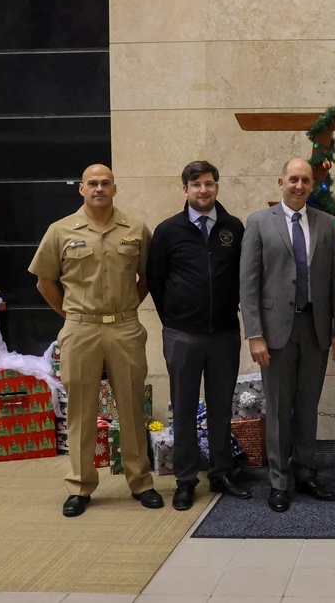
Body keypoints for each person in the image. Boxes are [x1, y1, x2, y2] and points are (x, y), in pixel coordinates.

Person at [29, 164, 162, 517]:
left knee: (132, 406)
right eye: (93, 183)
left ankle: (141, 482)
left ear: (115, 188)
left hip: (124, 327)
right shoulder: (59, 231)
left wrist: (126, 306)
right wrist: (73, 316)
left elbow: (148, 276)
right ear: (82, 190)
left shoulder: (135, 230)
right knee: (81, 409)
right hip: (80, 329)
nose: (99, 188)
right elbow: (45, 282)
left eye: (105, 183)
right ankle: (81, 486)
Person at [240, 157, 335, 512]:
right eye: (293, 179)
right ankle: (279, 481)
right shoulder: (258, 223)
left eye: (305, 180)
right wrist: (254, 334)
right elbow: (249, 283)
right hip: (274, 333)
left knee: (307, 406)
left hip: (315, 329)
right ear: (280, 182)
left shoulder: (327, 224)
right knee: (277, 406)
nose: (299, 185)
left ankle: (305, 472)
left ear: (312, 185)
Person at [147, 161, 250, 510]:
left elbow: (242, 279)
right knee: (185, 408)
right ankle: (186, 480)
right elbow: (155, 282)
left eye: (209, 183)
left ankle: (221, 472)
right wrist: (174, 320)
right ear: (185, 190)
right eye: (196, 185)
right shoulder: (167, 231)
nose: (203, 190)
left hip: (223, 334)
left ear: (217, 187)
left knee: (222, 408)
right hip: (182, 335)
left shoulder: (233, 228)